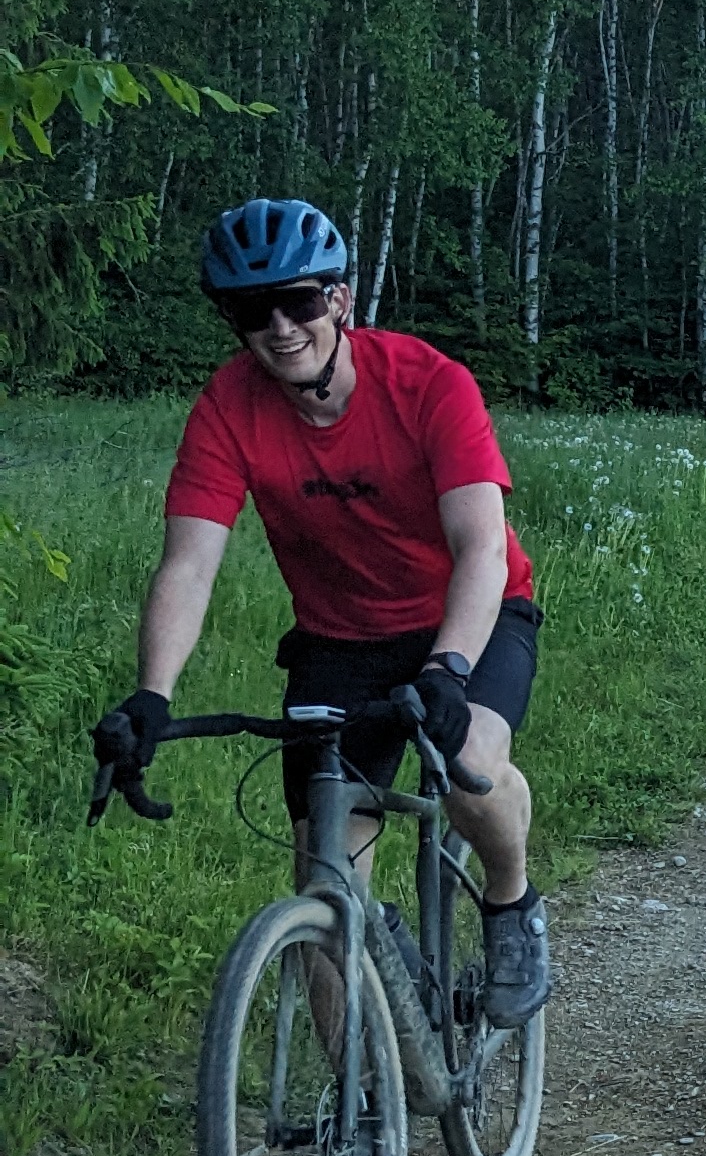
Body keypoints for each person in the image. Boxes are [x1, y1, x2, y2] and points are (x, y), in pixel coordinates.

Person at [92, 197, 553, 1023]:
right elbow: (190, 563)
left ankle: (511, 904)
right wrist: (151, 695)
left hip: (468, 615)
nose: (279, 327)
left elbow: (481, 546)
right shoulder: (230, 407)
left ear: (339, 299)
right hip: (339, 642)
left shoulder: (428, 383)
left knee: (472, 764)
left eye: (299, 301)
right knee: (327, 891)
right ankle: (363, 1132)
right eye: (249, 310)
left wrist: (448, 669)